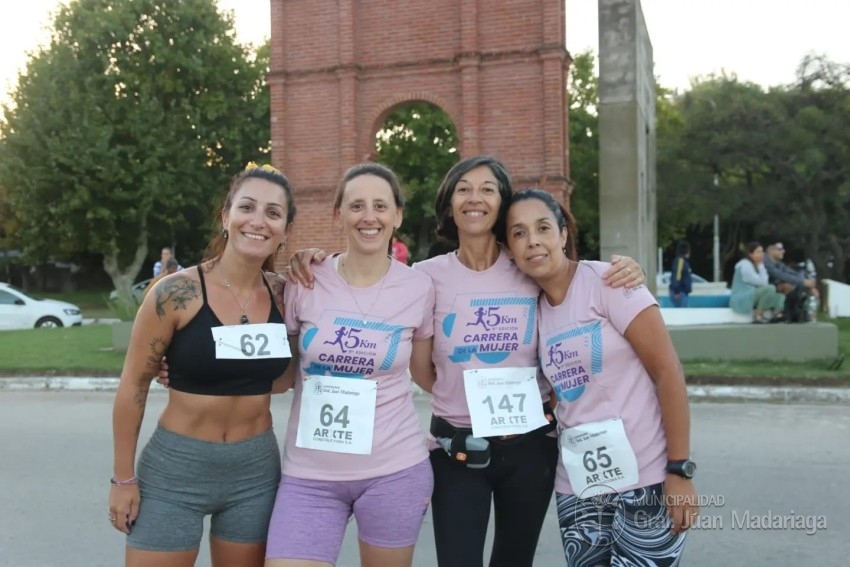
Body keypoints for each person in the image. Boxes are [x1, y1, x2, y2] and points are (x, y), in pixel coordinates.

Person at [286, 155, 645, 567]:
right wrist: (311, 257)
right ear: (449, 203)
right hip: (457, 448)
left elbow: (574, 284)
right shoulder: (425, 277)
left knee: (514, 560)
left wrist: (625, 271)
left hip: (530, 448)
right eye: (463, 189)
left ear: (502, 203)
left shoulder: (529, 266)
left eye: (488, 189)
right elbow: (421, 368)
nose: (475, 199)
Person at [109, 162, 297, 567]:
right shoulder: (175, 293)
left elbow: (281, 380)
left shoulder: (288, 295)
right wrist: (122, 478)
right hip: (176, 470)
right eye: (247, 207)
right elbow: (133, 387)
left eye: (273, 213)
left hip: (255, 473)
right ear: (226, 216)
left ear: (284, 229)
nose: (258, 221)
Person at [503, 187, 698, 566]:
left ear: (563, 234)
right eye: (519, 233)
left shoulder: (609, 283)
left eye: (543, 227)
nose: (533, 241)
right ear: (509, 250)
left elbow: (668, 371)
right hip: (579, 487)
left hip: (647, 480)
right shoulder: (531, 311)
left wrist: (680, 469)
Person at [265, 162, 436, 567]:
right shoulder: (305, 280)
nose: (369, 216)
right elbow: (281, 376)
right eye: (356, 205)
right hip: (310, 476)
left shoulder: (419, 287)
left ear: (397, 215)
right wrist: (189, 370)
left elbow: (430, 375)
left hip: (394, 471)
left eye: (380, 205)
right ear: (338, 213)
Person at [730, 241, 785, 323]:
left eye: (762, 252)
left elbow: (764, 281)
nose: (762, 254)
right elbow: (763, 283)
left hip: (752, 296)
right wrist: (760, 265)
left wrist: (760, 265)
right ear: (750, 254)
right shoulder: (744, 265)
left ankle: (777, 313)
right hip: (741, 299)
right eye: (758, 252)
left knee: (779, 293)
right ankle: (757, 315)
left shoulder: (757, 264)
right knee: (770, 288)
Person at [764, 242, 818, 322]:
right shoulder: (765, 261)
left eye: (783, 249)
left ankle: (796, 313)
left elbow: (793, 273)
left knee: (793, 284)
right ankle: (785, 313)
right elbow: (779, 275)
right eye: (780, 249)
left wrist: (810, 285)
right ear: (771, 251)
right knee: (789, 285)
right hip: (763, 288)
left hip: (773, 288)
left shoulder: (779, 264)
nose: (783, 251)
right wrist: (803, 282)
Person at [669, 240, 692, 308]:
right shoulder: (681, 261)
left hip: (682, 293)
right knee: (681, 316)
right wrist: (677, 291)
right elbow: (677, 276)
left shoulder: (683, 261)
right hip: (680, 293)